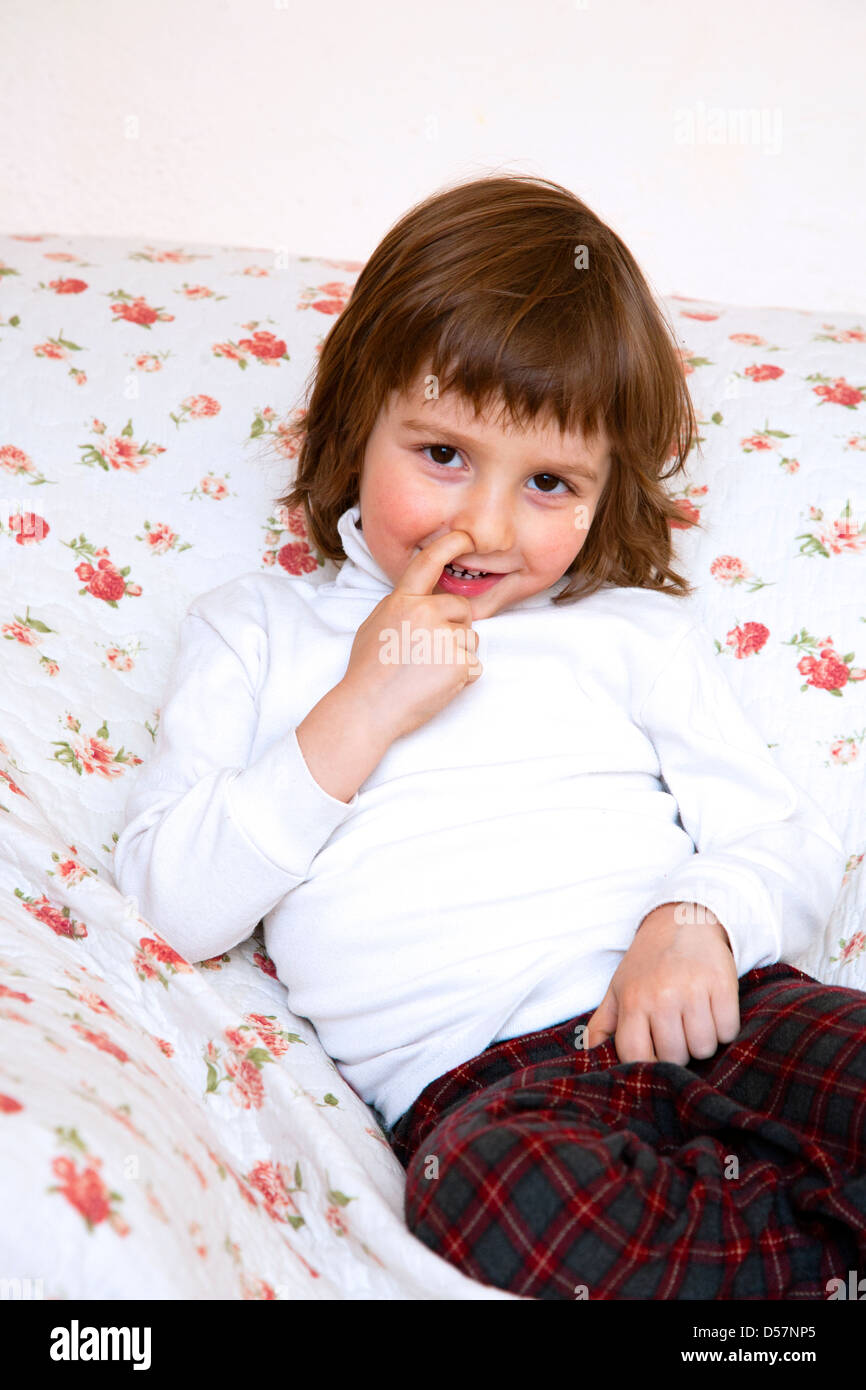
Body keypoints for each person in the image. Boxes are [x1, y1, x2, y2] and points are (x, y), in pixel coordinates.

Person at [113, 173, 866, 1301]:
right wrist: (362, 702)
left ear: (605, 491)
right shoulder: (260, 632)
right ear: (356, 416)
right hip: (494, 1097)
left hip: (716, 1012)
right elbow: (175, 901)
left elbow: (783, 837)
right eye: (443, 455)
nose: (487, 524)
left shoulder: (624, 634)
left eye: (549, 481)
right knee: (494, 1208)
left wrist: (696, 916)